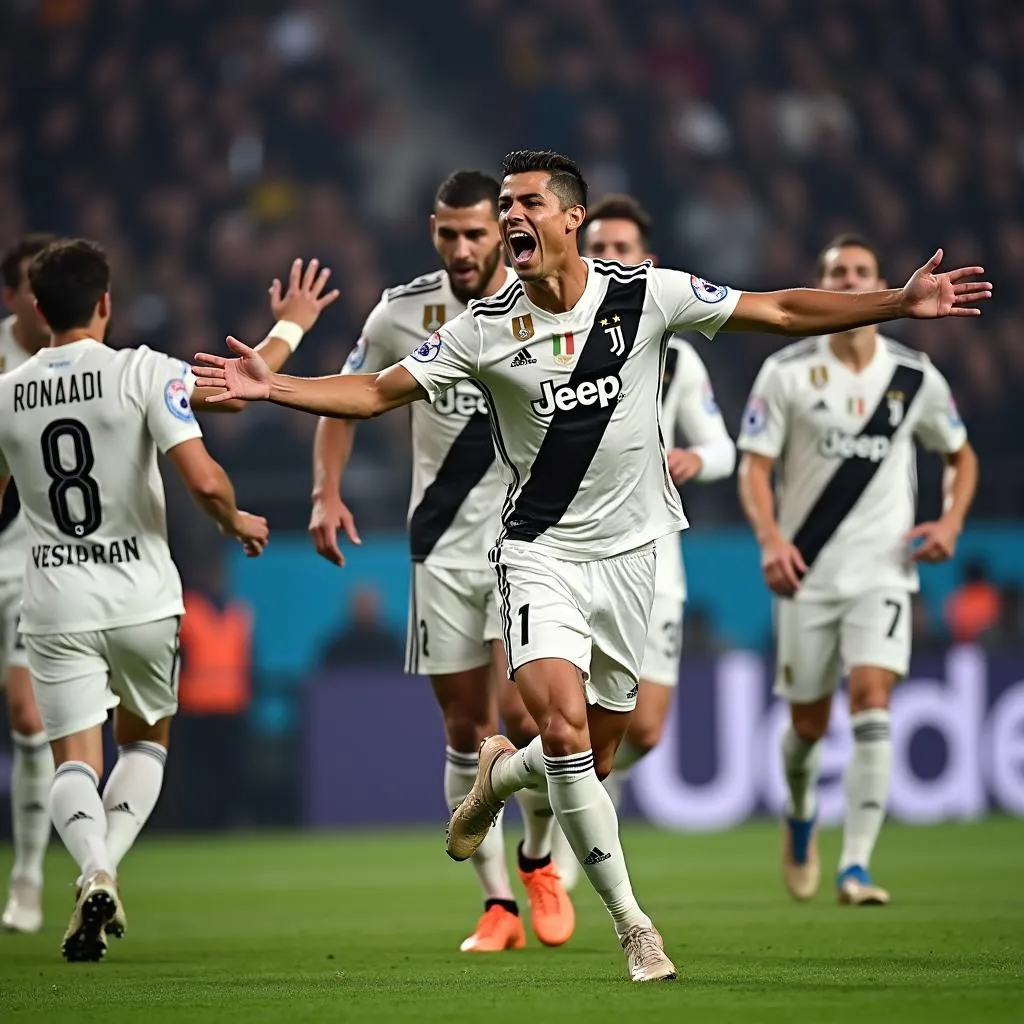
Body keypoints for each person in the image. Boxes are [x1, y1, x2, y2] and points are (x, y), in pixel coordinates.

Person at [192, 151, 991, 981]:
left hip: (633, 559)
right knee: (567, 733)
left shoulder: (645, 296)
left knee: (596, 754)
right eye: (505, 205)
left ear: (571, 218)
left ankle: (502, 774)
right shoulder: (482, 328)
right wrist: (275, 386)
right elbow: (373, 394)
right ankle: (634, 925)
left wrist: (896, 302)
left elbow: (782, 309)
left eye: (527, 204)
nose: (510, 219)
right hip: (538, 555)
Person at [0, 239, 336, 962]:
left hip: (54, 601)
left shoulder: (5, 393)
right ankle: (104, 866)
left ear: (36, 309)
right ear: (106, 304)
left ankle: (90, 864)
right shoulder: (142, 372)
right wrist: (233, 519)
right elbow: (230, 402)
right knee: (146, 739)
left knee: (71, 762)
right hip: (143, 600)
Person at [308, 170, 572, 953]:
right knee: (465, 729)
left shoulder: (544, 303)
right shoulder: (401, 310)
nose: (460, 249)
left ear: (503, 231)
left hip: (526, 543)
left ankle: (539, 859)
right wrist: (327, 491)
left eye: (474, 235)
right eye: (446, 235)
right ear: (433, 229)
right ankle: (498, 907)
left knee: (529, 718)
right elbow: (347, 395)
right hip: (441, 548)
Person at [736, 234, 980, 906]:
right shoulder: (787, 372)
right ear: (821, 283)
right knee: (808, 726)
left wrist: (952, 520)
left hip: (884, 570)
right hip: (807, 572)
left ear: (884, 282)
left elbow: (960, 455)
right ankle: (798, 808)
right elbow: (754, 467)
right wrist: (770, 539)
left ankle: (857, 866)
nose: (849, 279)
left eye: (862, 272)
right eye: (837, 272)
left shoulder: (913, 377)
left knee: (873, 699)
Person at [550, 194, 736, 889]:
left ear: (647, 264)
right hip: (568, 556)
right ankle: (565, 834)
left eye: (623, 249)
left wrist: (695, 459)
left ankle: (549, 782)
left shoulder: (675, 355)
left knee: (641, 732)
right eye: (598, 248)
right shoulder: (550, 341)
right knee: (576, 720)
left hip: (654, 562)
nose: (609, 258)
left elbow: (723, 447)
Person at [0, 233, 57, 933]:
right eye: (31, 289)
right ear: (11, 295)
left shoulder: (80, 358)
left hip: (29, 565)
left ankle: (28, 882)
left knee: (27, 717)